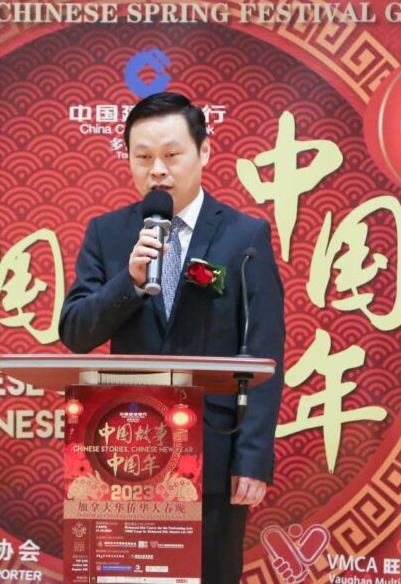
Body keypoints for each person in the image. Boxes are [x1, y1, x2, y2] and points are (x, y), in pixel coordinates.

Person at [58, 91, 285, 584]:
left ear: (204, 152)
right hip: (126, 449)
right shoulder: (108, 234)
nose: (157, 170)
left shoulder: (244, 236)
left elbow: (264, 351)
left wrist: (252, 457)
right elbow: (75, 332)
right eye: (143, 158)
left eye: (171, 154)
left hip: (214, 451)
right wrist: (129, 281)